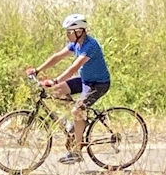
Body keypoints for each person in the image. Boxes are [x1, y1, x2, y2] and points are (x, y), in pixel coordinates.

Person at [29, 14, 111, 164]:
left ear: (79, 31)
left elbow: (74, 68)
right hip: (85, 81)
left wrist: (55, 80)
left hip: (98, 84)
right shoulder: (76, 44)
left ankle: (77, 152)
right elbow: (57, 57)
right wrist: (37, 70)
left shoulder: (90, 46)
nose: (67, 35)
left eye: (69, 32)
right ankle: (78, 122)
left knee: (77, 110)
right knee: (56, 92)